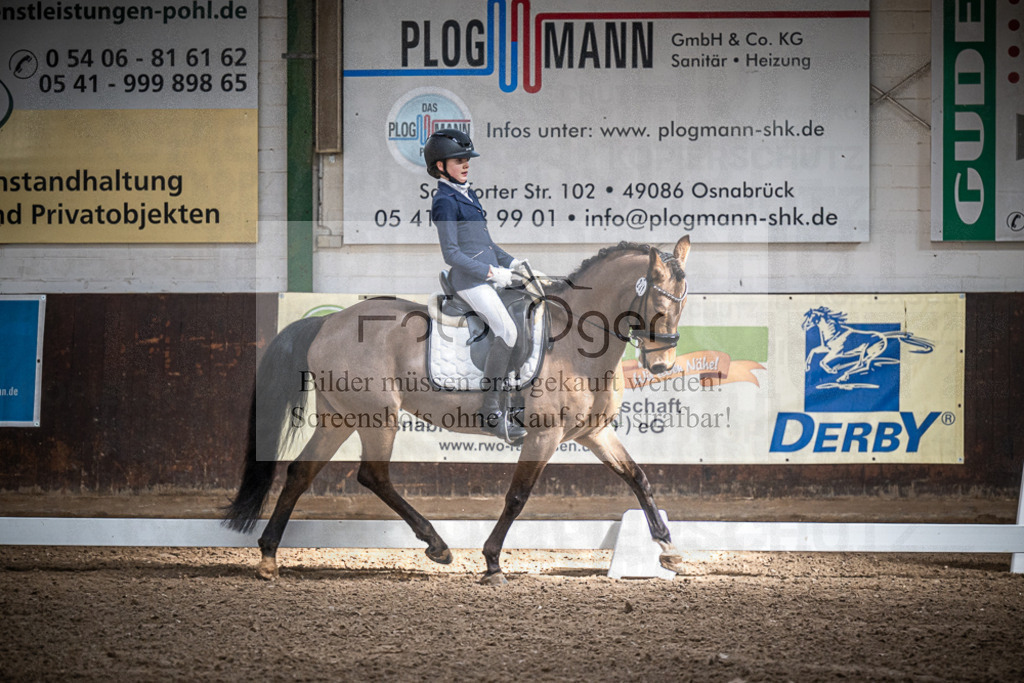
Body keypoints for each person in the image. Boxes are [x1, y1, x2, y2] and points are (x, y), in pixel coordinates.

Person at [424, 128, 527, 444]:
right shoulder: (444, 201)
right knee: (507, 331)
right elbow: (451, 253)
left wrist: (513, 264)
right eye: (459, 160)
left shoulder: (468, 194)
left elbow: (485, 242)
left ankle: (518, 400)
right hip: (469, 281)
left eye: (467, 159)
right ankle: (492, 413)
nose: (466, 164)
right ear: (441, 166)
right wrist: (491, 273)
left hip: (486, 274)